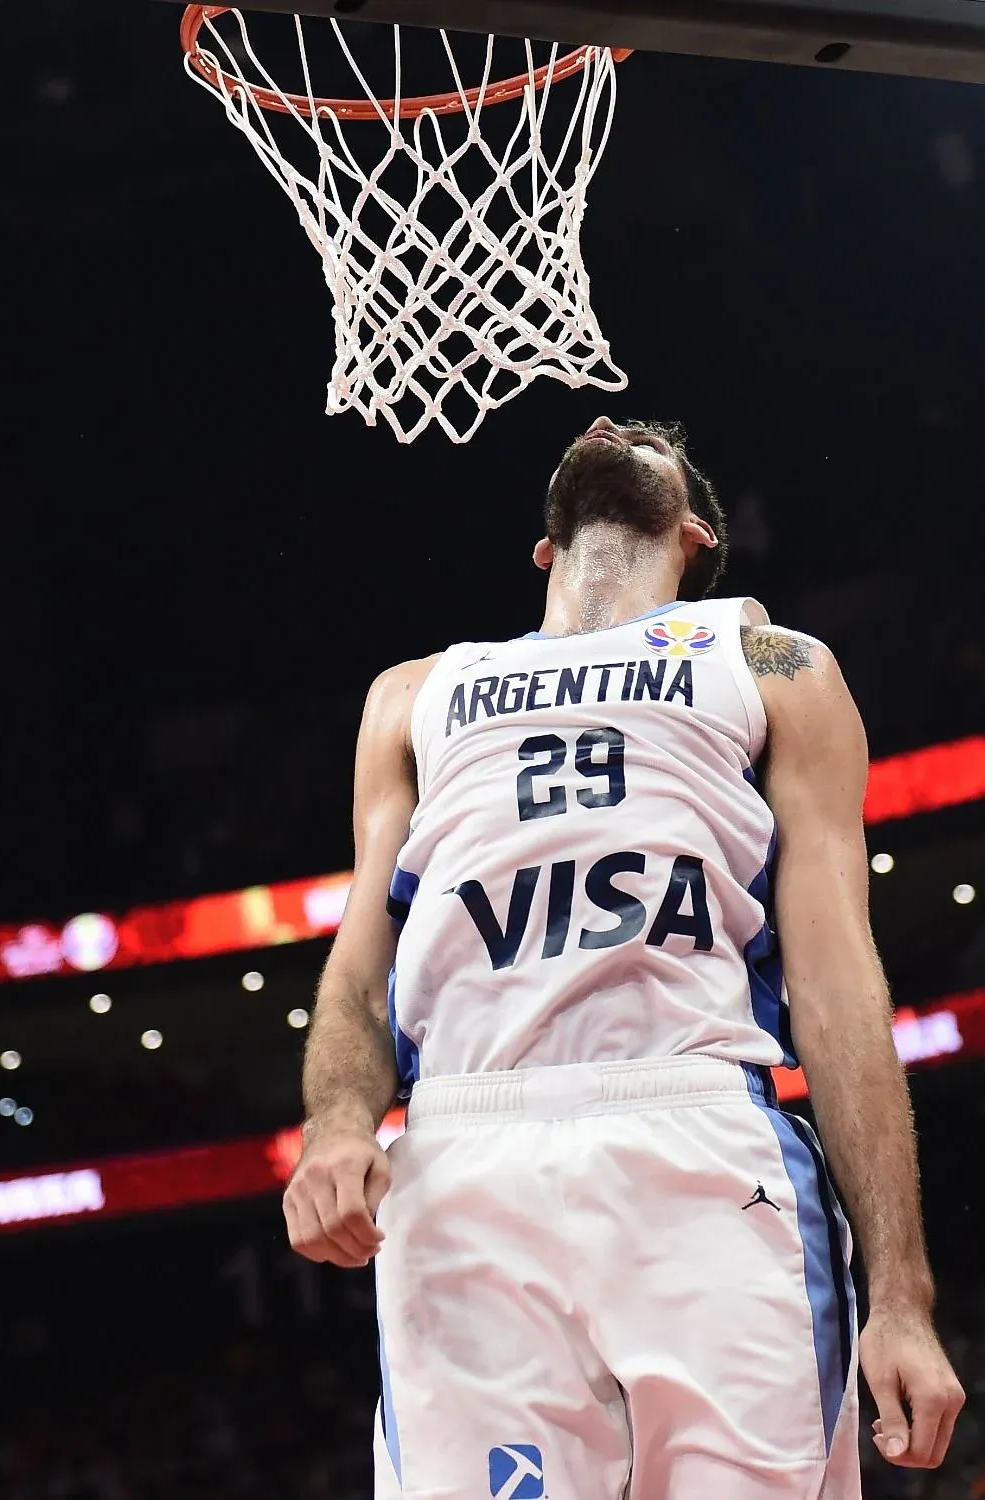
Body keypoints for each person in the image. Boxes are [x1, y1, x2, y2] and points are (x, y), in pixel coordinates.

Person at [283, 415, 964, 1499]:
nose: (609, 421)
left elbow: (838, 987)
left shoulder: (771, 664)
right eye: (604, 427)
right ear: (544, 546)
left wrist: (903, 1297)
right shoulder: (414, 693)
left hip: (700, 1134)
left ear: (696, 532)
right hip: (463, 1152)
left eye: (656, 436)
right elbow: (364, 969)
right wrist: (333, 1125)